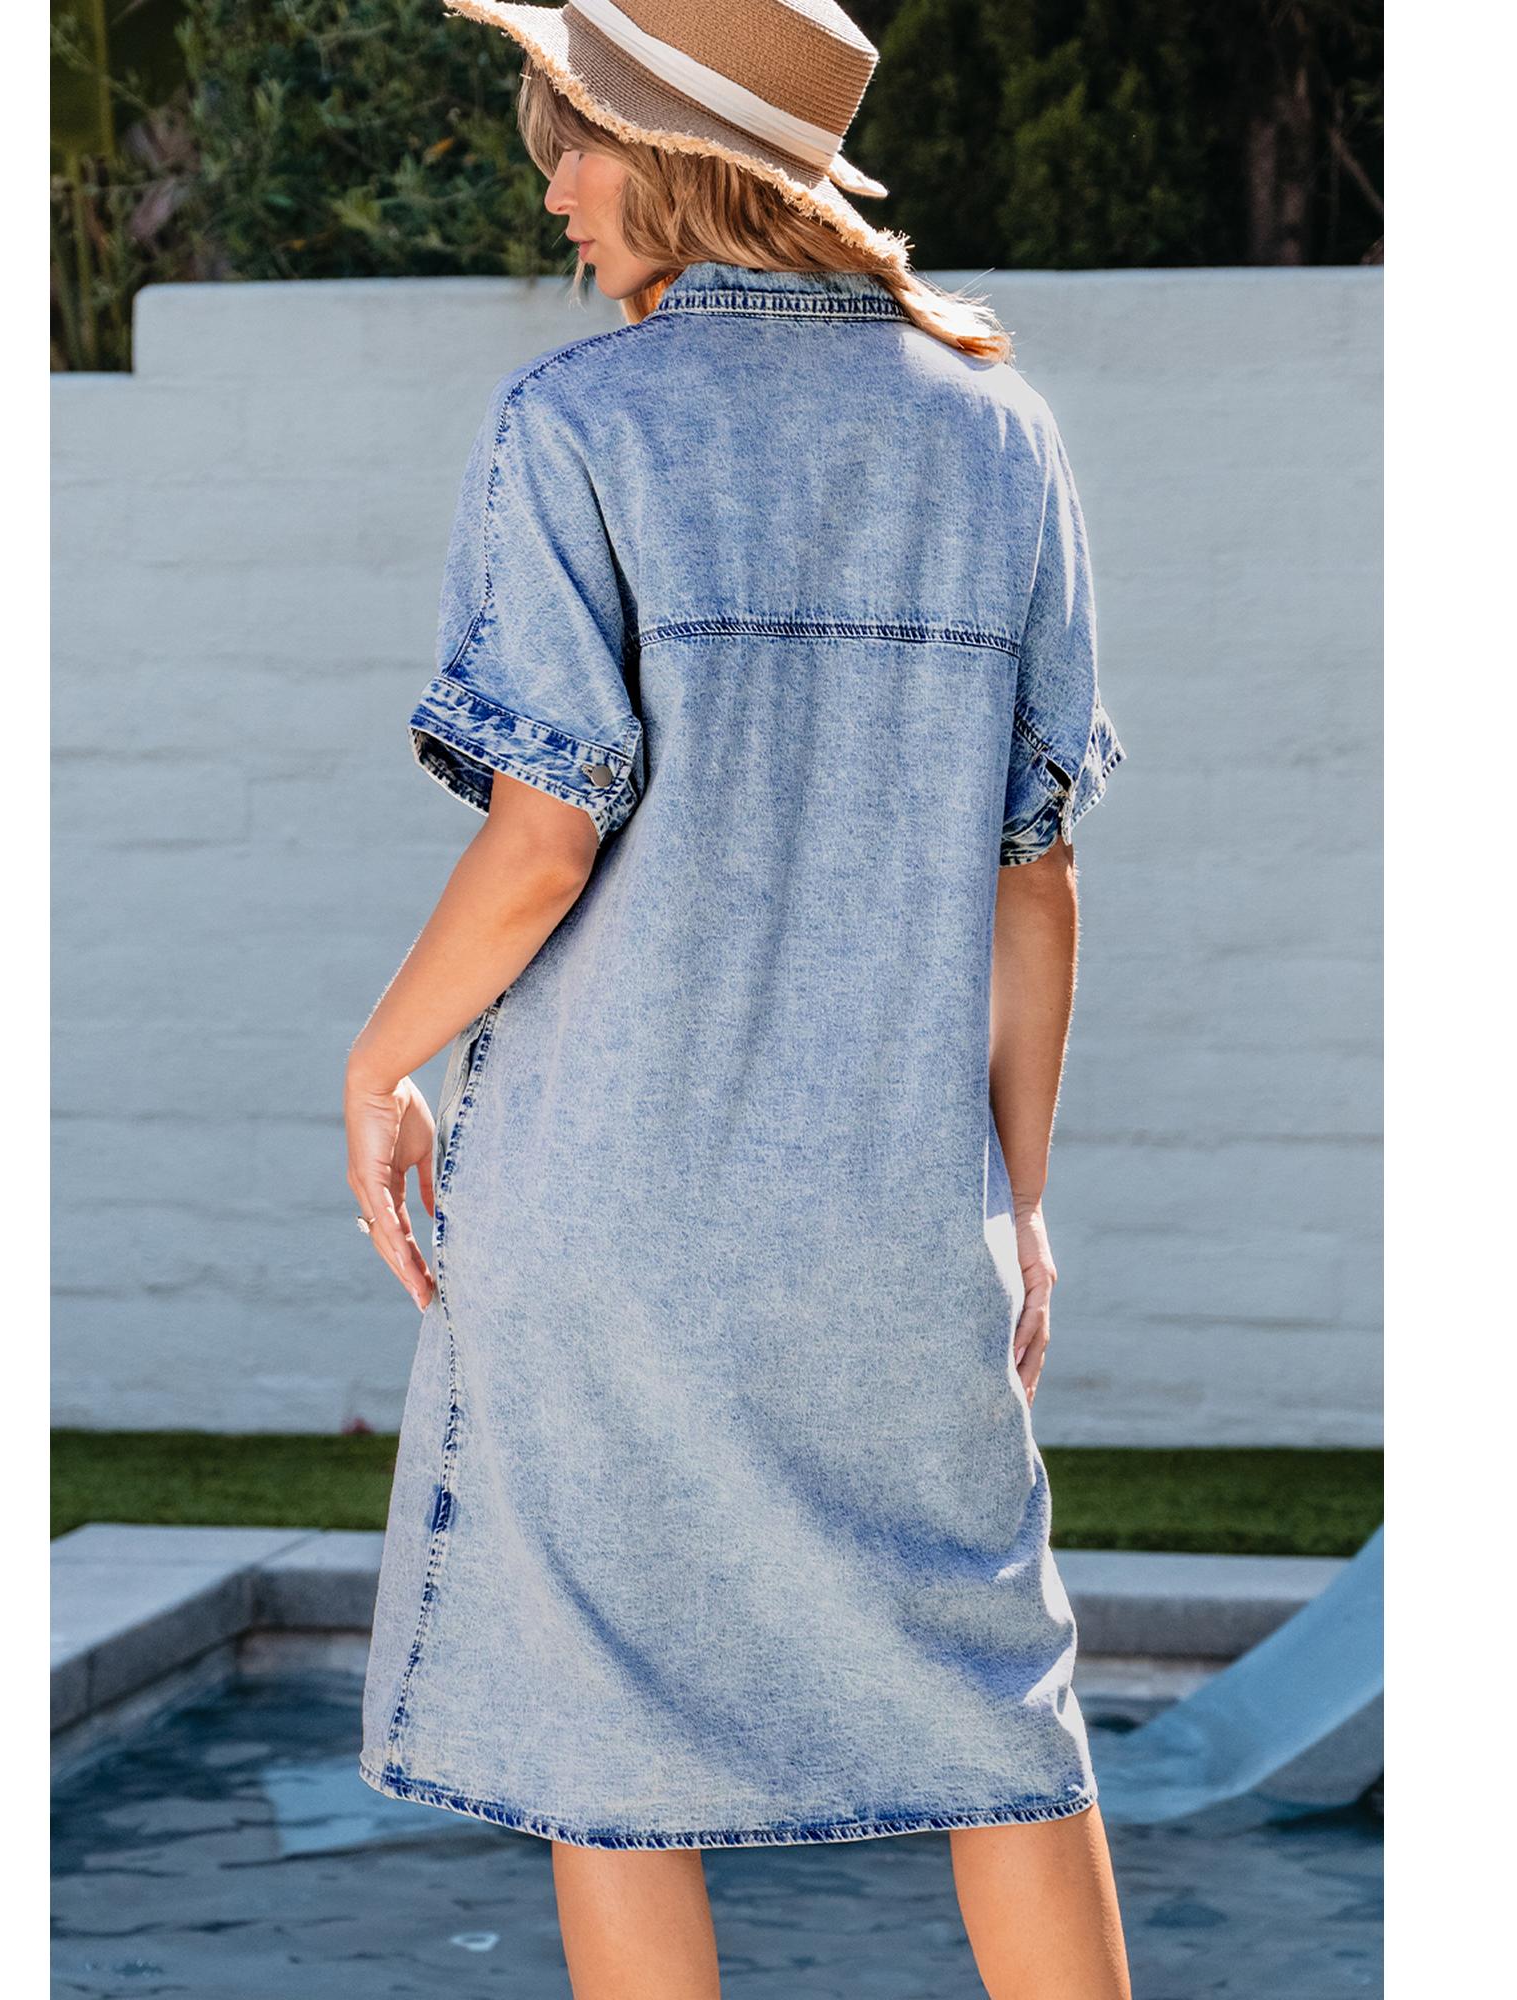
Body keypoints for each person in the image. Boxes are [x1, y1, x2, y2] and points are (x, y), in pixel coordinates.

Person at [343, 4, 1132, 1995]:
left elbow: (544, 839)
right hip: (896, 1217)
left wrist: (380, 1056)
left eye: (578, 142)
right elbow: (1032, 875)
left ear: (676, 159)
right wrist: (1016, 1195)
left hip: (610, 1208)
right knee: (1001, 1713)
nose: (553, 187)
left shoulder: (578, 422)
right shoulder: (999, 431)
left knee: (609, 1743)